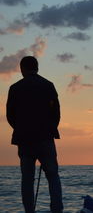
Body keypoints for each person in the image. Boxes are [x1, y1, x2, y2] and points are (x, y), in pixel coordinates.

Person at [6, 56, 63, 213]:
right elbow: (56, 113)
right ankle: (57, 210)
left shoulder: (15, 88)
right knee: (53, 177)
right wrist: (49, 129)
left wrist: (20, 128)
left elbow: (10, 115)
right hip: (46, 139)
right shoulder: (48, 86)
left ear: (22, 68)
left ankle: (29, 211)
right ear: (37, 68)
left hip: (25, 140)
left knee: (27, 180)